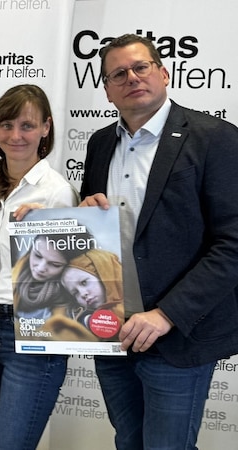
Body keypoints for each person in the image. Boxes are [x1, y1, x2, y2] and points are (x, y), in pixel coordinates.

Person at [79, 33, 238, 449]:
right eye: (118, 74)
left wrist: (166, 314)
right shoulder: (99, 144)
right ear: (108, 90)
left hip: (175, 336)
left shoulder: (215, 138)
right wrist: (84, 215)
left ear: (164, 73)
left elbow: (233, 244)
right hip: (111, 332)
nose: (131, 77)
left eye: (140, 67)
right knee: (128, 443)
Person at [0, 84, 79, 449]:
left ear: (46, 128)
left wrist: (54, 225)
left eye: (27, 125)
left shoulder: (57, 192)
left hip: (33, 330)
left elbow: (73, 277)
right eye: (6, 125)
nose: (15, 135)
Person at [44, 249, 124, 341]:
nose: (83, 294)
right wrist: (86, 321)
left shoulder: (132, 301)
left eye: (84, 282)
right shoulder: (81, 317)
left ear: (102, 274)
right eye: (75, 293)